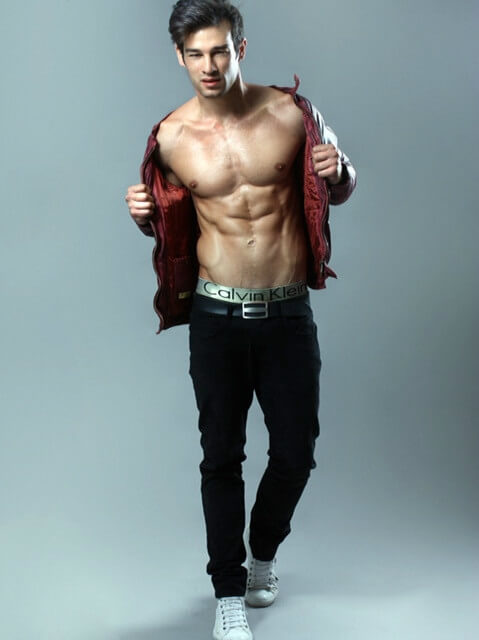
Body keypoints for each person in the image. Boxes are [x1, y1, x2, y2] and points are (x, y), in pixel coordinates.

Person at [125, 1, 356, 638]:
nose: (209, 65)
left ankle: (263, 555)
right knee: (220, 458)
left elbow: (338, 183)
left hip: (286, 312)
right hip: (216, 317)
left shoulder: (292, 114)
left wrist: (342, 172)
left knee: (296, 454)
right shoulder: (170, 139)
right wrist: (142, 214)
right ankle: (228, 590)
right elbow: (170, 228)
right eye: (196, 54)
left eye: (220, 51)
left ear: (241, 49)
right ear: (179, 57)